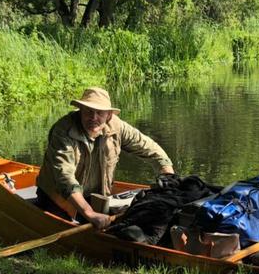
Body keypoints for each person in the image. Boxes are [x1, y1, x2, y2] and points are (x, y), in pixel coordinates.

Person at [36, 87, 174, 230]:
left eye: (99, 113)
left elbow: (152, 150)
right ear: (81, 110)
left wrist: (169, 180)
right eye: (89, 111)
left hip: (95, 198)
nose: (93, 117)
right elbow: (65, 179)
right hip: (58, 198)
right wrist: (90, 213)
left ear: (108, 115)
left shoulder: (117, 126)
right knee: (67, 228)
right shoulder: (63, 131)